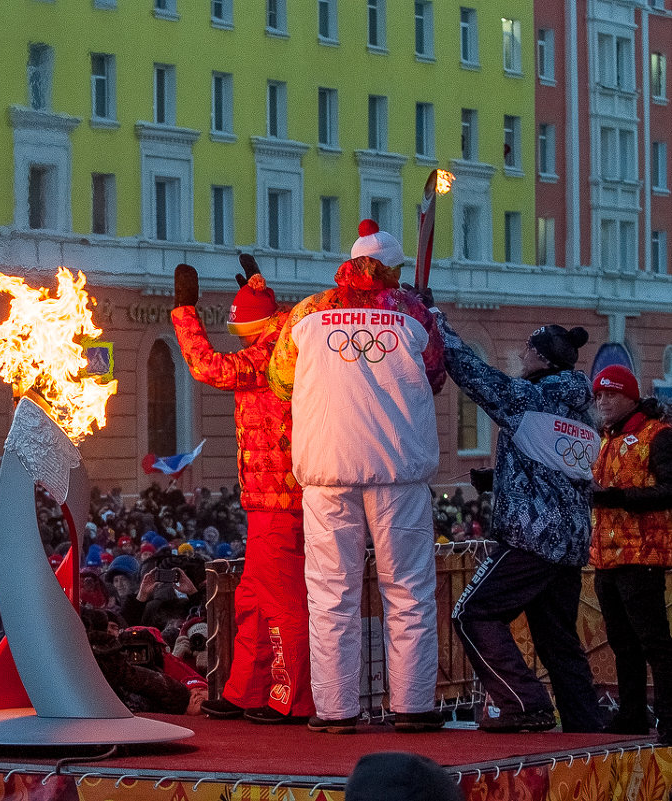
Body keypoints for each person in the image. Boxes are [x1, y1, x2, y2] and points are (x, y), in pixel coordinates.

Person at [270, 220, 446, 733]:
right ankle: (412, 707)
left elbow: (281, 382)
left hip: (326, 472)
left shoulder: (307, 313)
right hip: (397, 471)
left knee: (330, 594)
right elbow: (435, 377)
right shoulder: (412, 313)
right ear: (390, 268)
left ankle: (336, 711)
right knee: (408, 591)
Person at [435, 307, 603, 733]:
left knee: (472, 613)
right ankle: (585, 725)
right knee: (557, 639)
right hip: (570, 541)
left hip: (532, 536)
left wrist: (434, 317)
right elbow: (561, 468)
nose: (523, 354)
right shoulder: (584, 412)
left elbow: (471, 373)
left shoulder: (529, 398)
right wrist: (500, 477)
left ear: (543, 358)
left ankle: (524, 703)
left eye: (528, 348)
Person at [171, 255, 313, 724]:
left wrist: (185, 311)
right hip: (265, 500)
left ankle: (288, 699)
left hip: (280, 500)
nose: (242, 338)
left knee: (282, 605)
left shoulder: (270, 353)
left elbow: (207, 367)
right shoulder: (275, 342)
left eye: (244, 329)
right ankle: (245, 692)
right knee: (252, 600)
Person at [589, 364, 672, 741]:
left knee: (654, 643)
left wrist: (620, 498)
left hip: (643, 556)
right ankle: (633, 715)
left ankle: (669, 719)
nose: (603, 401)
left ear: (630, 397)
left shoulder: (657, 436)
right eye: (599, 396)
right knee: (624, 644)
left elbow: (670, 491)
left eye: (611, 394)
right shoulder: (606, 439)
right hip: (607, 557)